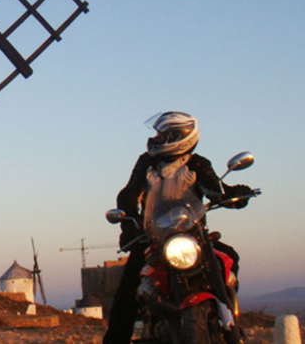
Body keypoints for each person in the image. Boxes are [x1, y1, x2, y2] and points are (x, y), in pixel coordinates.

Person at [102, 111, 254, 344]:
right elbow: (129, 194)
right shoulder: (147, 163)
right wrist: (129, 226)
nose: (156, 139)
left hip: (192, 234)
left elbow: (215, 189)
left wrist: (235, 195)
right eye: (157, 135)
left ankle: (230, 321)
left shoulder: (198, 163)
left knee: (229, 257)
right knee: (128, 289)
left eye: (162, 135)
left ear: (179, 137)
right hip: (153, 236)